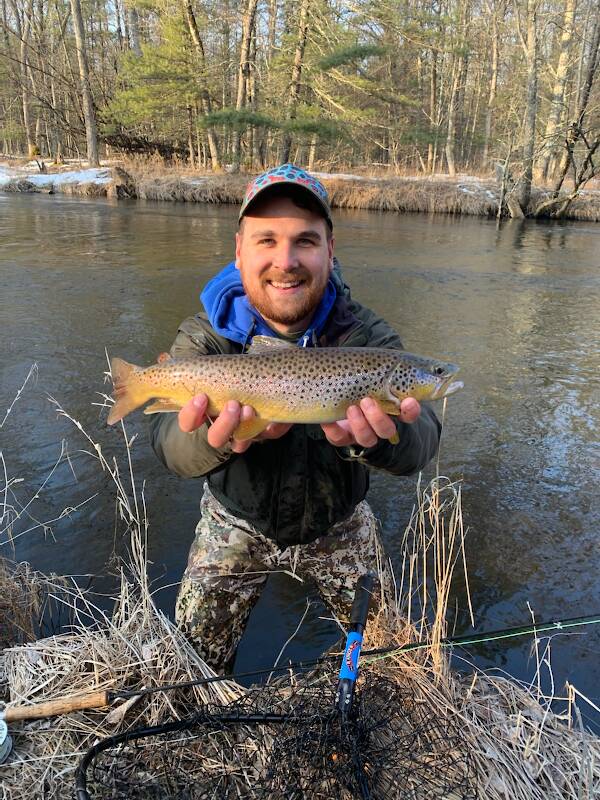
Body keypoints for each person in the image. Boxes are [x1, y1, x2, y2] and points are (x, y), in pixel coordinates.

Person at [150, 163, 441, 671]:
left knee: (393, 661)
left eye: (305, 241)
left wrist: (381, 441)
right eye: (267, 240)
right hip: (234, 520)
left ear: (331, 251)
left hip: (339, 522)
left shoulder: (367, 338)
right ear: (239, 250)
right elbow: (167, 443)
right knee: (189, 671)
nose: (285, 261)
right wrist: (223, 441)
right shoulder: (206, 338)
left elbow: (424, 438)